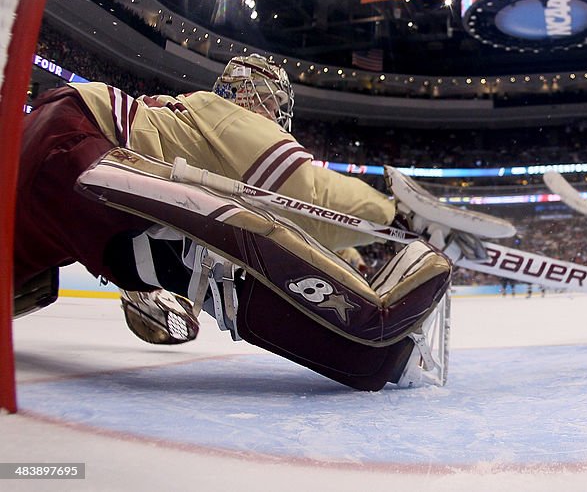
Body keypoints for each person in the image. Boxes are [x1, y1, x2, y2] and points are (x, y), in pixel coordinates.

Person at [12, 54, 490, 390]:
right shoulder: (224, 114)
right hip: (74, 145)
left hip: (38, 187)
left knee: (170, 253)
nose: (272, 115)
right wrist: (400, 217)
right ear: (256, 97)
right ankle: (371, 352)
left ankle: (373, 359)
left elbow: (131, 193)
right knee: (218, 260)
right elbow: (305, 193)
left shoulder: (173, 119)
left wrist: (141, 287)